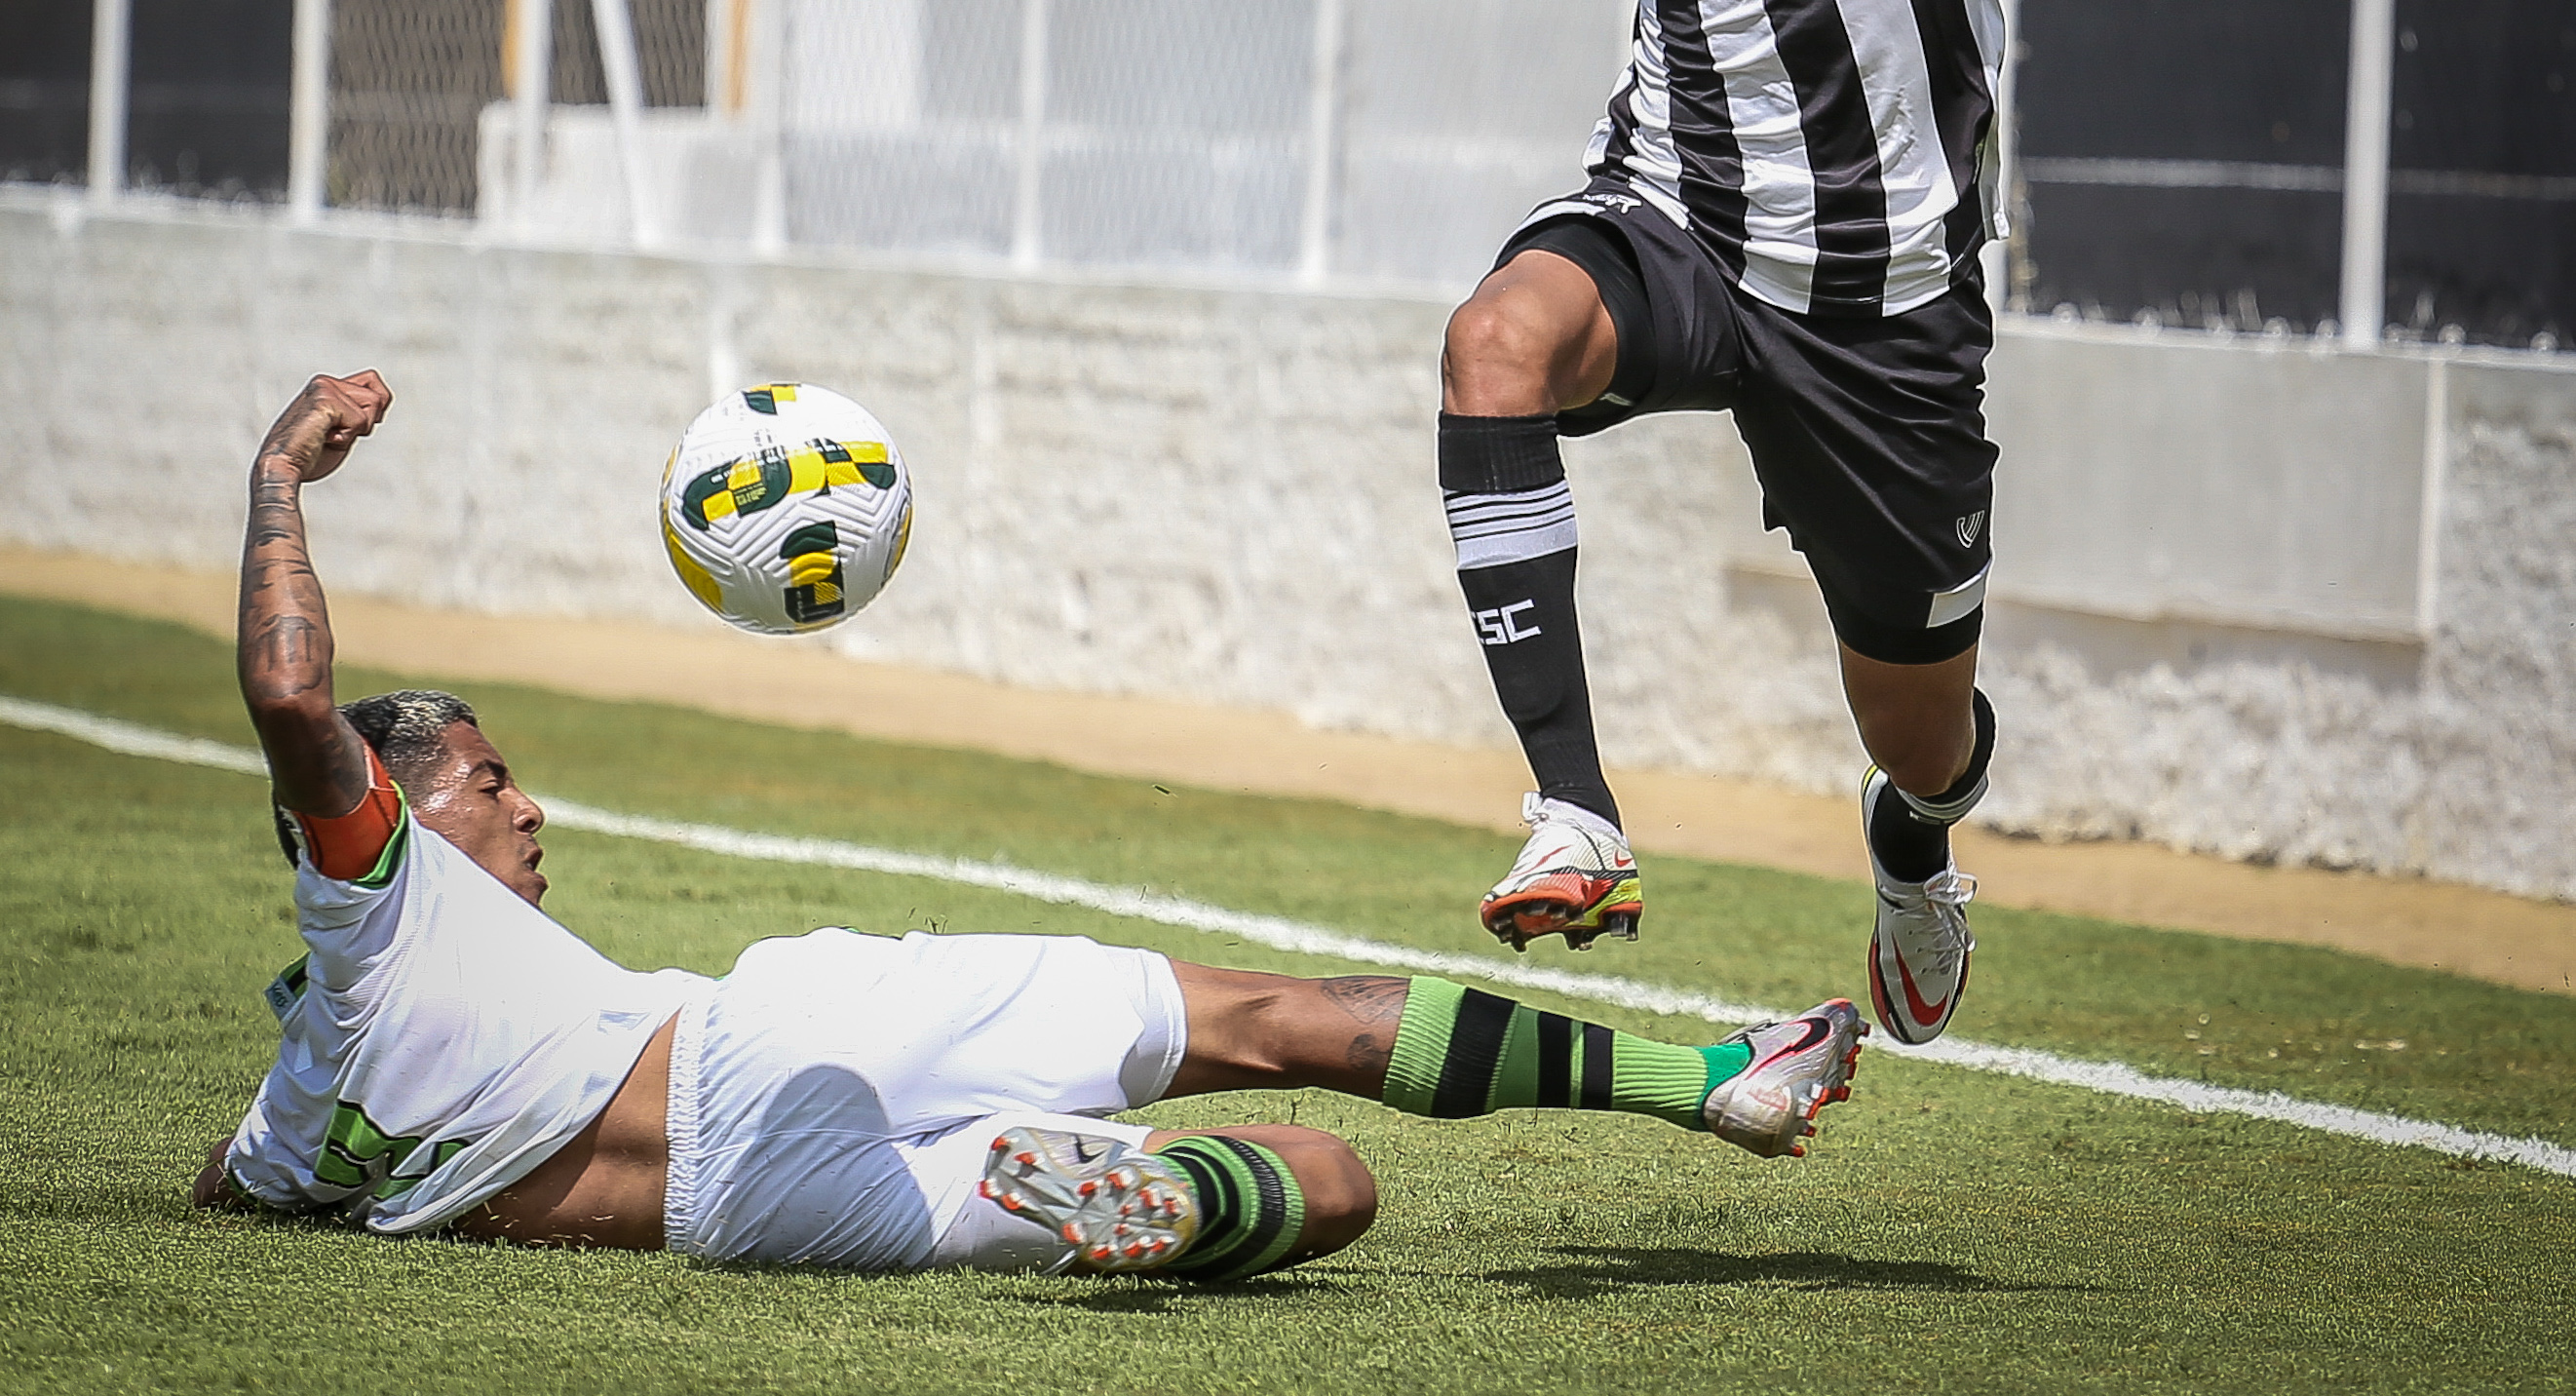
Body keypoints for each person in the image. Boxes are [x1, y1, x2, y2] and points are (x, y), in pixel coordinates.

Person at [193, 369, 1865, 1275]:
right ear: (383, 817)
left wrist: (252, 1167)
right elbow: (290, 704)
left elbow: (232, 1178)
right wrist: (282, 470)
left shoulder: (305, 1099)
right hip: (785, 1050)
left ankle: (1182, 1211)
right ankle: (1709, 1084)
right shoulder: (384, 906)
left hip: (774, 1221)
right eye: (486, 781)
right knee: (1266, 1022)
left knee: (1323, 1187)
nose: (525, 799)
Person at [1442, 0, 2162, 1048]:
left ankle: (1912, 843)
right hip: (1678, 220)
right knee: (1494, 343)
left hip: (1886, 298)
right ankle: (1574, 813)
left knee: (1917, 732)